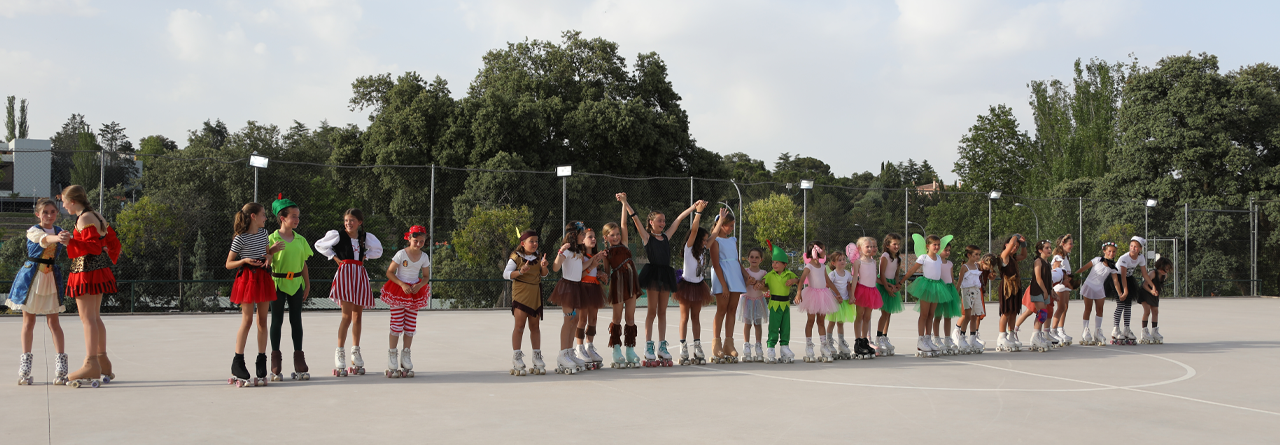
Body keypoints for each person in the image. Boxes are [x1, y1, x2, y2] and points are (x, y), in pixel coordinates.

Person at [620, 195, 698, 367]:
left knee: (663, 312)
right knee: (652, 312)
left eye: (664, 221)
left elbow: (678, 219)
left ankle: (662, 345)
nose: (663, 223)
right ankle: (649, 345)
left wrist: (693, 207)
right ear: (651, 223)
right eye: (659, 221)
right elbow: (635, 220)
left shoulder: (667, 236)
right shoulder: (647, 238)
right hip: (653, 274)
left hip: (666, 275)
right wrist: (625, 203)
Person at [61, 185, 121, 388]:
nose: (63, 205)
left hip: (86, 272)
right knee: (94, 318)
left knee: (88, 319)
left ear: (73, 201)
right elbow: (111, 242)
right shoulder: (96, 215)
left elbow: (93, 246)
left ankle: (91, 363)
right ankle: (103, 361)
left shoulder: (84, 218)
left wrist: (70, 241)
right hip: (98, 271)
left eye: (64, 201)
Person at [8, 198, 70, 385]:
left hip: (51, 279)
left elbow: (73, 244)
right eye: (45, 212)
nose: (49, 215)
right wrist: (59, 238)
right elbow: (44, 240)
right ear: (38, 214)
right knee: (29, 321)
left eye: (52, 212)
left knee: (54, 323)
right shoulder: (33, 231)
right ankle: (25, 367)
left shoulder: (61, 232)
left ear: (57, 213)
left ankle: (61, 367)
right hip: (32, 279)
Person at [315, 208, 383, 376]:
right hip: (345, 273)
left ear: (359, 222)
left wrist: (365, 256)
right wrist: (335, 258)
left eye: (352, 220)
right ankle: (339, 352)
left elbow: (378, 250)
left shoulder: (364, 237)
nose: (348, 223)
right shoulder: (338, 235)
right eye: (346, 220)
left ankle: (355, 351)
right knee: (346, 316)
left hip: (359, 274)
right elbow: (320, 245)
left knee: (358, 316)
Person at [226, 202, 279, 386]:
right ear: (253, 217)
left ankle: (261, 360)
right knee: (247, 320)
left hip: (263, 278)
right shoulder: (240, 238)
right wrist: (244, 260)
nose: (266, 217)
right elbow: (228, 263)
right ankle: (238, 361)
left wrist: (271, 254)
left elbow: (266, 254)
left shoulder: (264, 233)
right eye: (263, 214)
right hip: (247, 279)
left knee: (263, 321)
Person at [549, 221, 606, 374]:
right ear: (574, 235)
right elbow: (555, 268)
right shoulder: (567, 251)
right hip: (567, 287)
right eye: (582, 234)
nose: (583, 237)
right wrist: (560, 253)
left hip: (576, 287)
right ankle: (562, 354)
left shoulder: (579, 253)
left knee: (574, 320)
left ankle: (569, 352)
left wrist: (593, 261)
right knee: (568, 320)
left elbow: (582, 269)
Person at [267, 197, 313, 381]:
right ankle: (275, 361)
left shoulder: (301, 240)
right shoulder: (272, 238)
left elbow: (303, 264)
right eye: (293, 216)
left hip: (296, 284)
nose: (297, 219)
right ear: (282, 218)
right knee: (276, 321)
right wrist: (271, 251)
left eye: (298, 216)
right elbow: (266, 262)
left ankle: (299, 360)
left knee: (296, 320)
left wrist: (307, 284)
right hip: (277, 284)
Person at [380, 225, 431, 378]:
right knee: (396, 325)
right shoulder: (401, 254)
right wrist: (402, 284)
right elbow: (389, 272)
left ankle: (406, 355)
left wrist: (420, 284)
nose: (418, 244)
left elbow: (426, 276)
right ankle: (392, 355)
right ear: (409, 239)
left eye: (422, 241)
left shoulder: (424, 257)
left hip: (414, 292)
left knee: (410, 326)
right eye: (416, 240)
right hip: (399, 291)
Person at [603, 194, 641, 368]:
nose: (616, 237)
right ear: (606, 238)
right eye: (612, 235)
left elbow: (624, 223)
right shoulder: (607, 254)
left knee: (630, 317)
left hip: (631, 284)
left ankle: (630, 349)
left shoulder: (624, 244)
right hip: (617, 285)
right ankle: (616, 349)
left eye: (617, 234)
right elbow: (605, 272)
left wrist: (624, 203)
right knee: (617, 318)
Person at [673, 202, 714, 365]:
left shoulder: (703, 250)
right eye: (703, 239)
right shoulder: (689, 248)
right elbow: (695, 230)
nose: (706, 242)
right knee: (684, 317)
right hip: (686, 286)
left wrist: (720, 222)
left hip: (698, 286)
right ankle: (683, 346)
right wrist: (698, 213)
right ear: (696, 239)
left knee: (696, 317)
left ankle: (697, 345)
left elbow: (714, 236)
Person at [504, 230, 550, 376]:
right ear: (522, 243)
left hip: (535, 294)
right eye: (531, 241)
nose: (535, 244)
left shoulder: (538, 256)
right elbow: (506, 274)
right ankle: (517, 357)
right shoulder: (515, 257)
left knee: (535, 327)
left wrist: (544, 266)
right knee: (519, 326)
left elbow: (544, 274)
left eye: (536, 241)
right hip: (521, 295)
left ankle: (537, 357)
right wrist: (520, 271)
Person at [902, 234, 954, 358]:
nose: (937, 247)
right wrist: (901, 281)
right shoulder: (923, 257)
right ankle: (920, 340)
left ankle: (928, 338)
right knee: (924, 314)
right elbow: (912, 270)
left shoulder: (939, 258)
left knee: (931, 314)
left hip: (937, 286)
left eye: (938, 245)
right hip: (927, 286)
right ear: (927, 246)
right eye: (934, 245)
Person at [708, 208, 746, 364]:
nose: (731, 228)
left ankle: (728, 343)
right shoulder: (715, 241)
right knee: (721, 309)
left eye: (732, 225)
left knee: (732, 310)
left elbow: (736, 261)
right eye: (729, 225)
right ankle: (716, 343)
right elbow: (716, 265)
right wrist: (723, 285)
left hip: (735, 276)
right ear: (720, 225)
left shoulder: (733, 240)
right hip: (722, 276)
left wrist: (746, 275)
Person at [794, 242, 837, 363]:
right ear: (817, 251)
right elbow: (802, 280)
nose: (825, 252)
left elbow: (828, 281)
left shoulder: (823, 266)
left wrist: (837, 294)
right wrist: (798, 293)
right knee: (811, 320)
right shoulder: (809, 266)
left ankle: (823, 346)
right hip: (812, 295)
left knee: (821, 321)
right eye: (823, 249)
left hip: (823, 295)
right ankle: (809, 346)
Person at [1014, 240, 1055, 352]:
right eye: (1047, 248)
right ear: (1040, 250)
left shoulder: (1047, 263)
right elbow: (1038, 278)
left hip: (1045, 290)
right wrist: (1044, 291)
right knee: (1042, 312)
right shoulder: (1038, 261)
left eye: (1050, 248)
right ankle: (1035, 336)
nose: (1049, 250)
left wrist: (1051, 290)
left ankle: (1037, 335)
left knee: (1043, 314)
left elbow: (1049, 278)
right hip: (1037, 290)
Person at [1075, 242, 1119, 346]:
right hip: (1089, 286)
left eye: (1114, 252)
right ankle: (1085, 331)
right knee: (1088, 309)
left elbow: (1116, 281)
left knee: (1100, 309)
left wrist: (1120, 293)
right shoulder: (1097, 260)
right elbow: (1084, 268)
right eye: (1109, 251)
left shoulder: (1112, 266)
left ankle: (1098, 331)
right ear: (1104, 251)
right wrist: (1073, 277)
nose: (1111, 253)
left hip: (1099, 288)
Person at [762, 241, 799, 364]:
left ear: (784, 264)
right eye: (773, 262)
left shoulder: (789, 274)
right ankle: (771, 348)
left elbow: (799, 281)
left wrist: (793, 280)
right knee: (773, 327)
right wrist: (759, 285)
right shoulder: (770, 275)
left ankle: (784, 347)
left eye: (777, 262)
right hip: (774, 304)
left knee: (785, 328)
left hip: (785, 305)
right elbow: (764, 285)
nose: (774, 264)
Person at [848, 237, 883, 359]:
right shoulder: (858, 262)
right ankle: (858, 342)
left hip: (872, 291)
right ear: (860, 248)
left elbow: (873, 277)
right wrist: (852, 295)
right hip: (862, 290)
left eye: (872, 246)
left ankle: (865, 340)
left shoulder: (873, 262)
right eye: (867, 246)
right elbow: (854, 279)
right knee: (860, 316)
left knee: (867, 317)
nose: (870, 249)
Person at [1111, 237, 1149, 346]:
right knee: (1120, 304)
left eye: (1136, 247)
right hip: (1117, 280)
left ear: (1140, 249)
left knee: (1128, 305)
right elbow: (1122, 276)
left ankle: (1126, 329)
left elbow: (1145, 274)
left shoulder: (1141, 258)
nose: (1133, 248)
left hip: (1129, 279)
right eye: (1131, 246)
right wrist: (1125, 290)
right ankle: (1115, 328)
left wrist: (1153, 286)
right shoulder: (1124, 258)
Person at [995, 234, 1028, 352]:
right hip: (1006, 287)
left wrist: (1023, 244)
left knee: (1014, 311)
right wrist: (1015, 236)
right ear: (1007, 245)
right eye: (1013, 246)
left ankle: (1011, 335)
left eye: (1017, 247)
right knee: (1006, 312)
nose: (1015, 248)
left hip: (1015, 286)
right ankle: (1001, 336)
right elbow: (1008, 250)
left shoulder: (1014, 258)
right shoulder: (1004, 256)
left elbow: (1024, 255)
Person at [953, 246, 988, 353]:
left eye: (979, 254)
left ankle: (973, 339)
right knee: (967, 316)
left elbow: (987, 268)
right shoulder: (965, 267)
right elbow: (959, 282)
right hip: (967, 292)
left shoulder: (978, 266)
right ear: (969, 255)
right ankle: (962, 338)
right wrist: (956, 293)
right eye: (975, 254)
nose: (978, 256)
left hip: (977, 291)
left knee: (975, 316)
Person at [875, 233, 905, 355]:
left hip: (892, 285)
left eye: (898, 244)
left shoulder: (898, 258)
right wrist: (887, 287)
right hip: (883, 285)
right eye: (894, 244)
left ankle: (884, 336)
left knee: (889, 313)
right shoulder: (885, 256)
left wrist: (897, 285)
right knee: (884, 313)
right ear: (888, 245)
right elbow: (882, 274)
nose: (897, 246)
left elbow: (896, 274)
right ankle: (878, 337)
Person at [824, 247, 855, 359]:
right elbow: (827, 288)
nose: (843, 261)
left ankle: (841, 343)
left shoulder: (847, 274)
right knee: (832, 322)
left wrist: (851, 296)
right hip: (834, 302)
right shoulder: (833, 274)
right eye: (839, 260)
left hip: (844, 302)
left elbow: (848, 286)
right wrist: (835, 297)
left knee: (840, 323)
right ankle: (829, 343)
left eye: (844, 259)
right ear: (833, 263)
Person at [739, 248, 769, 362]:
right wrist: (748, 281)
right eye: (752, 257)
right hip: (747, 300)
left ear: (761, 259)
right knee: (747, 323)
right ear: (748, 258)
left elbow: (766, 288)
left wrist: (761, 286)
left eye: (757, 257)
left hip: (758, 300)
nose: (754, 259)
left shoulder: (763, 273)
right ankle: (746, 345)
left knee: (758, 323)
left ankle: (758, 345)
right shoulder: (745, 271)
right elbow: (742, 286)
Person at [1138, 257, 1172, 344]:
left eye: (1167, 269)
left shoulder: (1165, 275)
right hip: (1145, 292)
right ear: (1159, 267)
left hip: (1154, 294)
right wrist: (1151, 291)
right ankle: (1144, 332)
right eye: (1163, 269)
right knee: (1147, 311)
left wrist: (1155, 293)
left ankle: (1154, 331)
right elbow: (1145, 284)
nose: (1165, 271)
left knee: (1155, 311)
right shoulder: (1153, 273)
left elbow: (1159, 286)